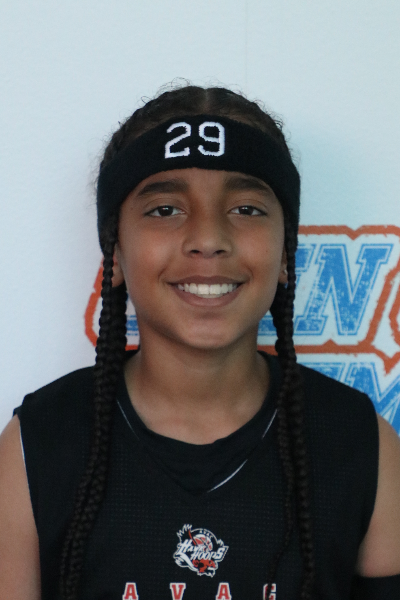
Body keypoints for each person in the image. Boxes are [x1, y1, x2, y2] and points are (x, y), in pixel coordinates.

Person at [0, 84, 400, 600]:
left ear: (286, 253)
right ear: (115, 253)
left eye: (246, 209)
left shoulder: (360, 442)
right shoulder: (37, 444)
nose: (208, 239)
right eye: (165, 209)